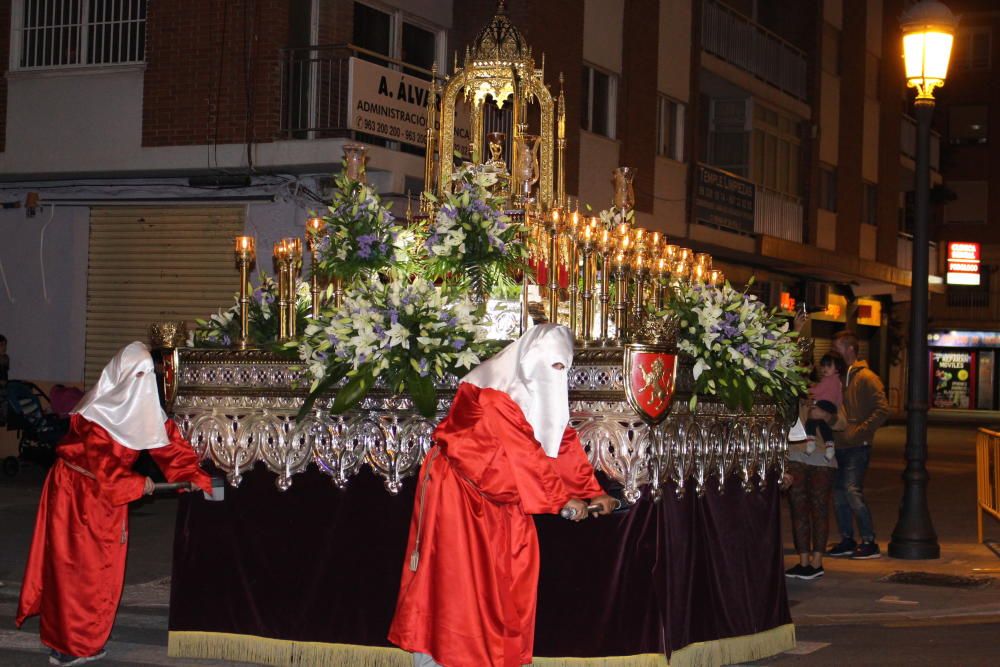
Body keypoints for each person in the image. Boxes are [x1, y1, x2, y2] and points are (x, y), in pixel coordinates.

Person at [388, 324, 617, 667]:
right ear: (530, 358)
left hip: (500, 496)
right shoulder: (495, 393)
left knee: (503, 585)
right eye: (553, 366)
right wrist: (559, 499)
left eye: (563, 368)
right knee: (457, 587)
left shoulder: (533, 382)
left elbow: (559, 438)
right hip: (458, 495)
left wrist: (591, 490)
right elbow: (525, 453)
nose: (557, 375)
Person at [16, 341, 212, 666]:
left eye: (148, 375)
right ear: (120, 374)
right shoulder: (96, 413)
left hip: (104, 498)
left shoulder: (144, 405)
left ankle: (72, 640)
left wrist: (198, 479)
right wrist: (139, 483)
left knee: (95, 568)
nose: (143, 381)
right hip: (76, 494)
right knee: (77, 571)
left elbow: (169, 447)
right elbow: (104, 467)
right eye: (137, 374)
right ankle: (71, 646)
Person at [822, 330, 889, 560]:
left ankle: (869, 540)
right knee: (839, 494)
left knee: (851, 491)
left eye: (837, 347)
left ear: (850, 349)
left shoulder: (867, 378)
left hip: (857, 445)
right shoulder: (838, 377)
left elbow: (882, 409)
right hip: (838, 445)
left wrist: (860, 430)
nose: (833, 351)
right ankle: (847, 539)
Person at [784, 351, 847, 581]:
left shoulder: (827, 387)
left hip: (822, 455)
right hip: (797, 454)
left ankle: (817, 561)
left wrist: (825, 416)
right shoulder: (793, 390)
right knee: (798, 507)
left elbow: (841, 421)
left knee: (819, 507)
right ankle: (803, 561)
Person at [804, 352, 847, 461]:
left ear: (837, 367)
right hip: (831, 406)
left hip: (824, 404)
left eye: (829, 366)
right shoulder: (838, 381)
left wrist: (805, 391)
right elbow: (839, 398)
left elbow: (818, 391)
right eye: (823, 366)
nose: (825, 369)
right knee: (825, 427)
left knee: (810, 422)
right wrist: (836, 408)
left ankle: (811, 442)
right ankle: (830, 447)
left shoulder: (827, 380)